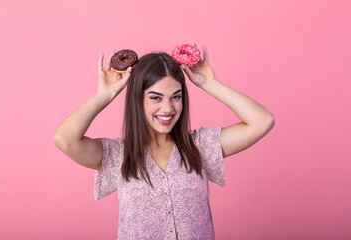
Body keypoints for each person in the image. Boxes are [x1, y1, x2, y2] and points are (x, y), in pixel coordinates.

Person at [53, 43, 275, 239]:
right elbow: (64, 138)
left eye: (176, 97)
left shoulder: (199, 146)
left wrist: (209, 84)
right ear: (137, 100)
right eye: (155, 98)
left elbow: (262, 121)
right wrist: (105, 95)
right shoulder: (118, 155)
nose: (168, 108)